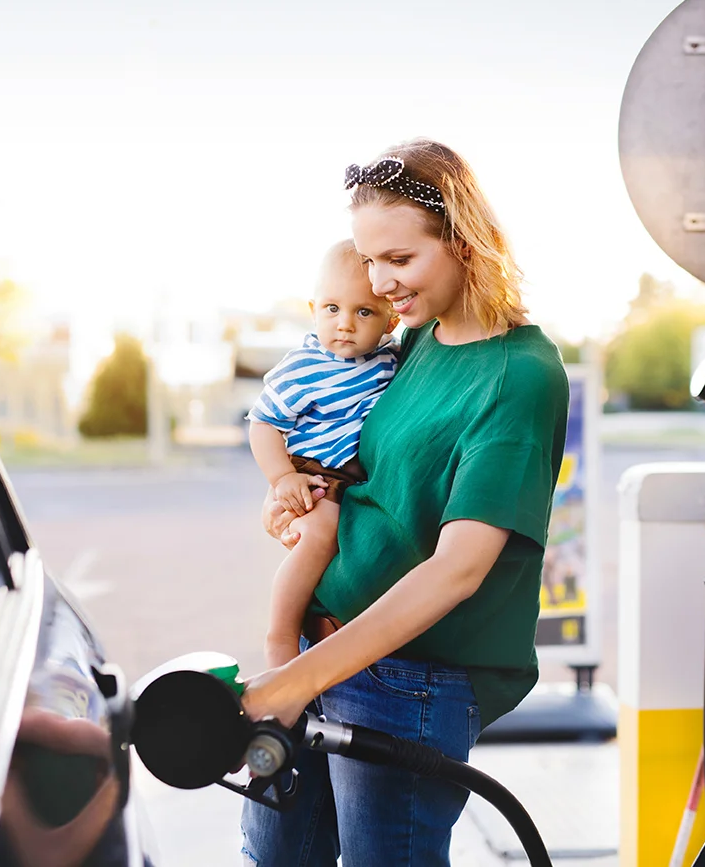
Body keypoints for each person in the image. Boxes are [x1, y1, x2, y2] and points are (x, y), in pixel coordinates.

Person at [239, 139, 570, 866]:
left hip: (409, 681)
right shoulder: (414, 337)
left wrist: (296, 680)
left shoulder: (519, 376)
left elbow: (458, 569)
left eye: (399, 259)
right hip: (321, 651)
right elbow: (367, 463)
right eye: (368, 259)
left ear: (463, 241)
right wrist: (294, 489)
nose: (378, 282)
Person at [246, 239, 398, 669]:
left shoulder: (389, 359)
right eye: (332, 308)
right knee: (320, 534)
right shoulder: (304, 367)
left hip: (350, 477)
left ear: (390, 322)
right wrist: (281, 479)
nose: (345, 324)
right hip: (313, 473)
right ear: (313, 308)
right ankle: (280, 636)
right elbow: (263, 423)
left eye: (363, 311)